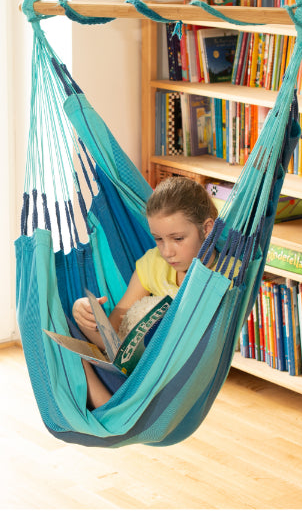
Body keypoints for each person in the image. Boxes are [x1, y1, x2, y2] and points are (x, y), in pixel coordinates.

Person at [71, 175, 218, 409]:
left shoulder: (222, 277)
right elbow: (113, 335)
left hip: (176, 379)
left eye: (178, 239)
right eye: (158, 239)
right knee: (63, 324)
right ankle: (111, 411)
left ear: (207, 229)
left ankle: (113, 411)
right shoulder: (153, 264)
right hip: (136, 373)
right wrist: (86, 315)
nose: (167, 251)